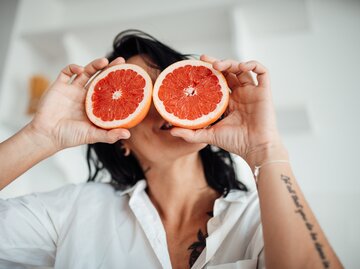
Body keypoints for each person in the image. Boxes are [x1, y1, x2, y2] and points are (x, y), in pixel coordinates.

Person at [0, 30, 343, 269]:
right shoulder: (73, 211)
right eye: (138, 94)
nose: (159, 106)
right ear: (119, 139)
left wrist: (266, 149)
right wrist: (40, 136)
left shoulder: (257, 217)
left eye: (166, 84)